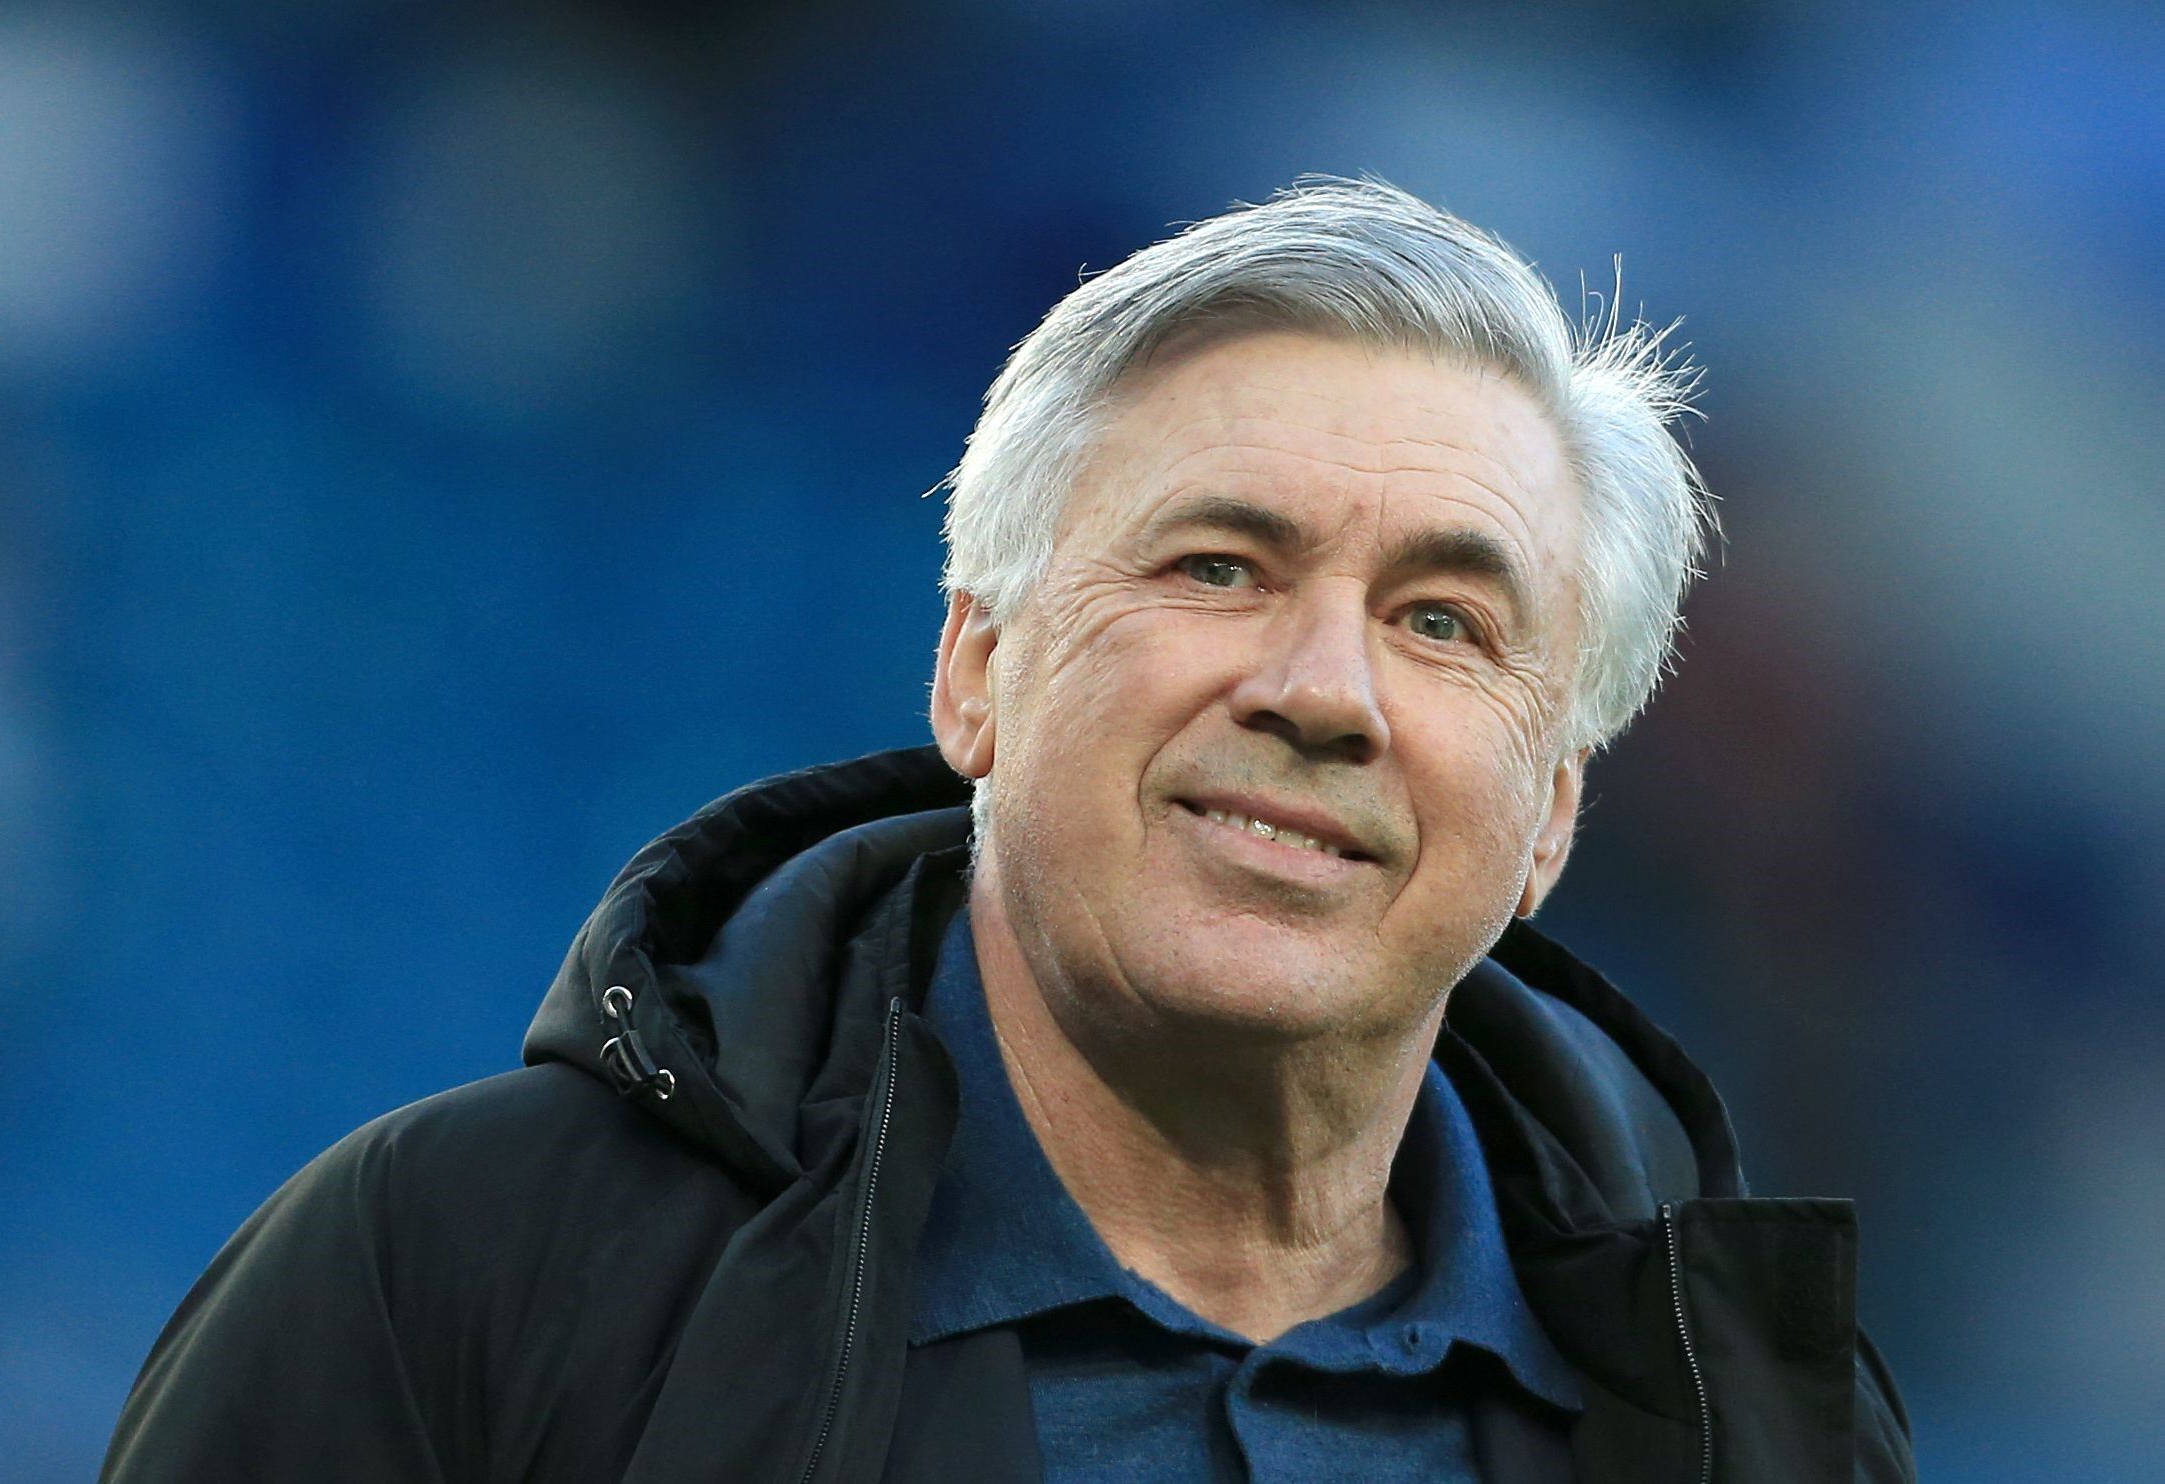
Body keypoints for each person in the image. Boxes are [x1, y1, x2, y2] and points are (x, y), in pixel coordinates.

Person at [100, 178, 1913, 1483]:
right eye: (1220, 566)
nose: (1324, 691)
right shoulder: (457, 1274)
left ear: (1552, 816)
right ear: (974, 671)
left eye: (1443, 622)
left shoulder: (1767, 1416)